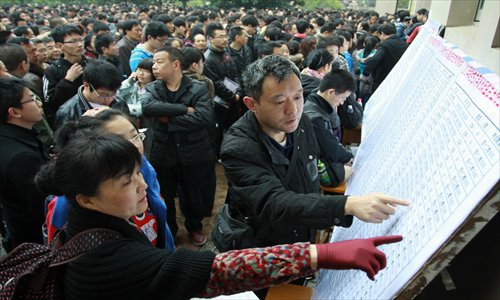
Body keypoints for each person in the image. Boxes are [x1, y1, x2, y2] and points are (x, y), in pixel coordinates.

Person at [35, 132, 404, 299]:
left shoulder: (88, 223)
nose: (142, 186)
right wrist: (322, 254)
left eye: (138, 173)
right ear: (88, 199)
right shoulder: (109, 259)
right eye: (126, 182)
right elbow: (217, 272)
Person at [220, 55, 409, 249]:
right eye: (279, 102)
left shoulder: (302, 124)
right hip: (267, 247)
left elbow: (313, 168)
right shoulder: (239, 148)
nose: (293, 110)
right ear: (252, 104)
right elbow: (274, 202)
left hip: (304, 229)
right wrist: (346, 205)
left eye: (297, 96)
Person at [45, 108, 175, 251]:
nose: (135, 146)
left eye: (135, 136)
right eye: (120, 140)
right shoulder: (71, 198)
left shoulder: (145, 168)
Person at [141, 46, 216, 245]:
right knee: (164, 195)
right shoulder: (153, 88)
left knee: (193, 193)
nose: (153, 66)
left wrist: (167, 119)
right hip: (163, 152)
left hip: (193, 151)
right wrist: (183, 109)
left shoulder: (197, 87)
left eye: (159, 62)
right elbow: (148, 107)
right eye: (153, 62)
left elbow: (204, 118)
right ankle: (170, 230)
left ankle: (195, 227)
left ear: (175, 64)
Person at [0, 77, 49, 248]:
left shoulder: (14, 135)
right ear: (14, 112)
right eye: (32, 99)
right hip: (35, 239)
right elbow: (42, 206)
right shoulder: (22, 158)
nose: (39, 102)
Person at [304, 68, 356, 187]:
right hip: (316, 169)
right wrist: (351, 158)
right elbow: (332, 149)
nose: (342, 103)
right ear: (331, 92)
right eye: (343, 98)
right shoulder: (316, 119)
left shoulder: (314, 103)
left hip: (321, 160)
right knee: (351, 172)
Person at [53, 60, 129, 129]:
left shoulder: (119, 102)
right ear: (86, 86)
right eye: (103, 95)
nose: (109, 99)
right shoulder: (68, 112)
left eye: (113, 93)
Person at [43, 24, 89, 126]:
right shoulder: (52, 70)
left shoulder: (92, 64)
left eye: (81, 40)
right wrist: (68, 80)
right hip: (69, 123)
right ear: (60, 46)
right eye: (73, 41)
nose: (80, 44)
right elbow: (50, 102)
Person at [361, 24, 408, 93]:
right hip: (398, 79)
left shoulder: (384, 45)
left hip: (382, 80)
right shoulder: (404, 44)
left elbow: (376, 59)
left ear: (382, 34)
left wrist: (365, 73)